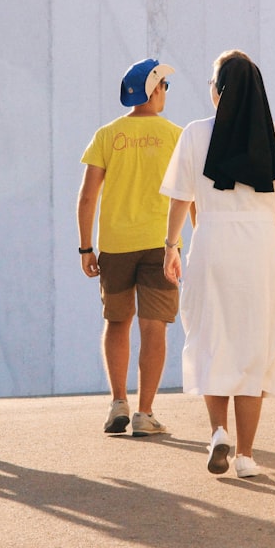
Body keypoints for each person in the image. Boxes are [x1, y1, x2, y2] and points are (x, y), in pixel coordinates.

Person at [160, 50, 275, 477]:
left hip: (212, 243)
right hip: (262, 248)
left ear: (220, 91)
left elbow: (180, 198)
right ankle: (245, 456)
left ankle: (218, 433)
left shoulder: (193, 134)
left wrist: (170, 245)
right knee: (254, 346)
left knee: (213, 338)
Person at [77, 58, 183, 436]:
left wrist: (85, 248)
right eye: (165, 86)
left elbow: (88, 196)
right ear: (154, 90)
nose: (166, 92)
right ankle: (145, 412)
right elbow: (190, 196)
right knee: (154, 327)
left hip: (116, 246)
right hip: (161, 244)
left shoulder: (107, 134)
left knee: (116, 322)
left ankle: (117, 403)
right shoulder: (176, 135)